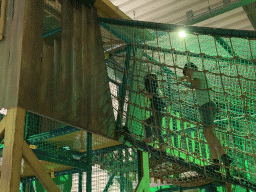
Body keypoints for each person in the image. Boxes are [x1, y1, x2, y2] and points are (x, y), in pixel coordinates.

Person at [178, 62, 232, 172]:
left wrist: (184, 79)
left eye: (187, 73)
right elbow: (196, 86)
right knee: (207, 134)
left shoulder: (198, 73)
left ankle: (224, 156)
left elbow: (195, 85)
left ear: (190, 69)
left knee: (208, 132)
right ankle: (215, 162)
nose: (188, 75)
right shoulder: (198, 76)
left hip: (207, 106)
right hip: (205, 106)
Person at [138, 74, 166, 152]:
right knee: (146, 122)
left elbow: (150, 95)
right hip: (159, 110)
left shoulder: (154, 89)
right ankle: (149, 137)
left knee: (157, 130)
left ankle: (162, 148)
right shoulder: (155, 88)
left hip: (159, 110)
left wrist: (141, 90)